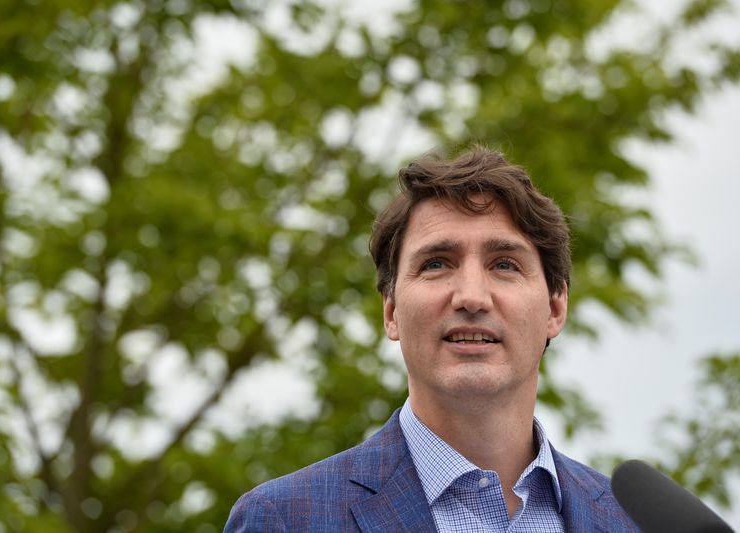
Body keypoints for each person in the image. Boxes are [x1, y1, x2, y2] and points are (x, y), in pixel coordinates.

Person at [224, 146, 639, 532]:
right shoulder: (285, 519)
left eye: (505, 265)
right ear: (391, 311)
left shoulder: (635, 522)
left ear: (555, 308)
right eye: (437, 264)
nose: (472, 297)